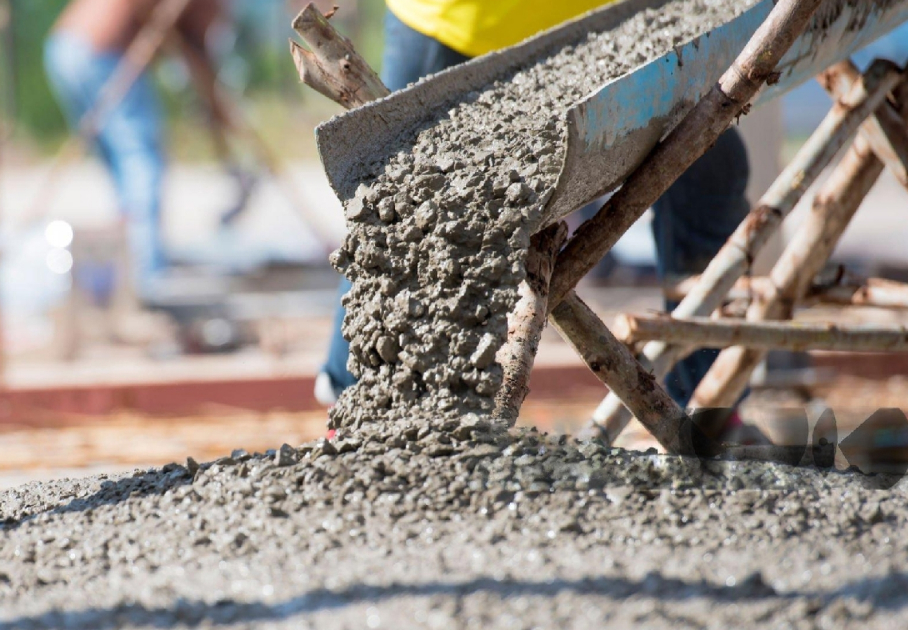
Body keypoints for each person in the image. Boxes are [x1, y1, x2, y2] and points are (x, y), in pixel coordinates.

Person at [316, 0, 752, 434]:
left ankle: (711, 406)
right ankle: (360, 413)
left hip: (615, 26)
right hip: (461, 23)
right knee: (403, 214)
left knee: (710, 172)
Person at [44, 0, 220, 303]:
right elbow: (197, 46)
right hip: (101, 51)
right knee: (142, 159)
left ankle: (128, 267)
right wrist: (217, 112)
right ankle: (145, 277)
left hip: (65, 47)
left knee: (123, 169)